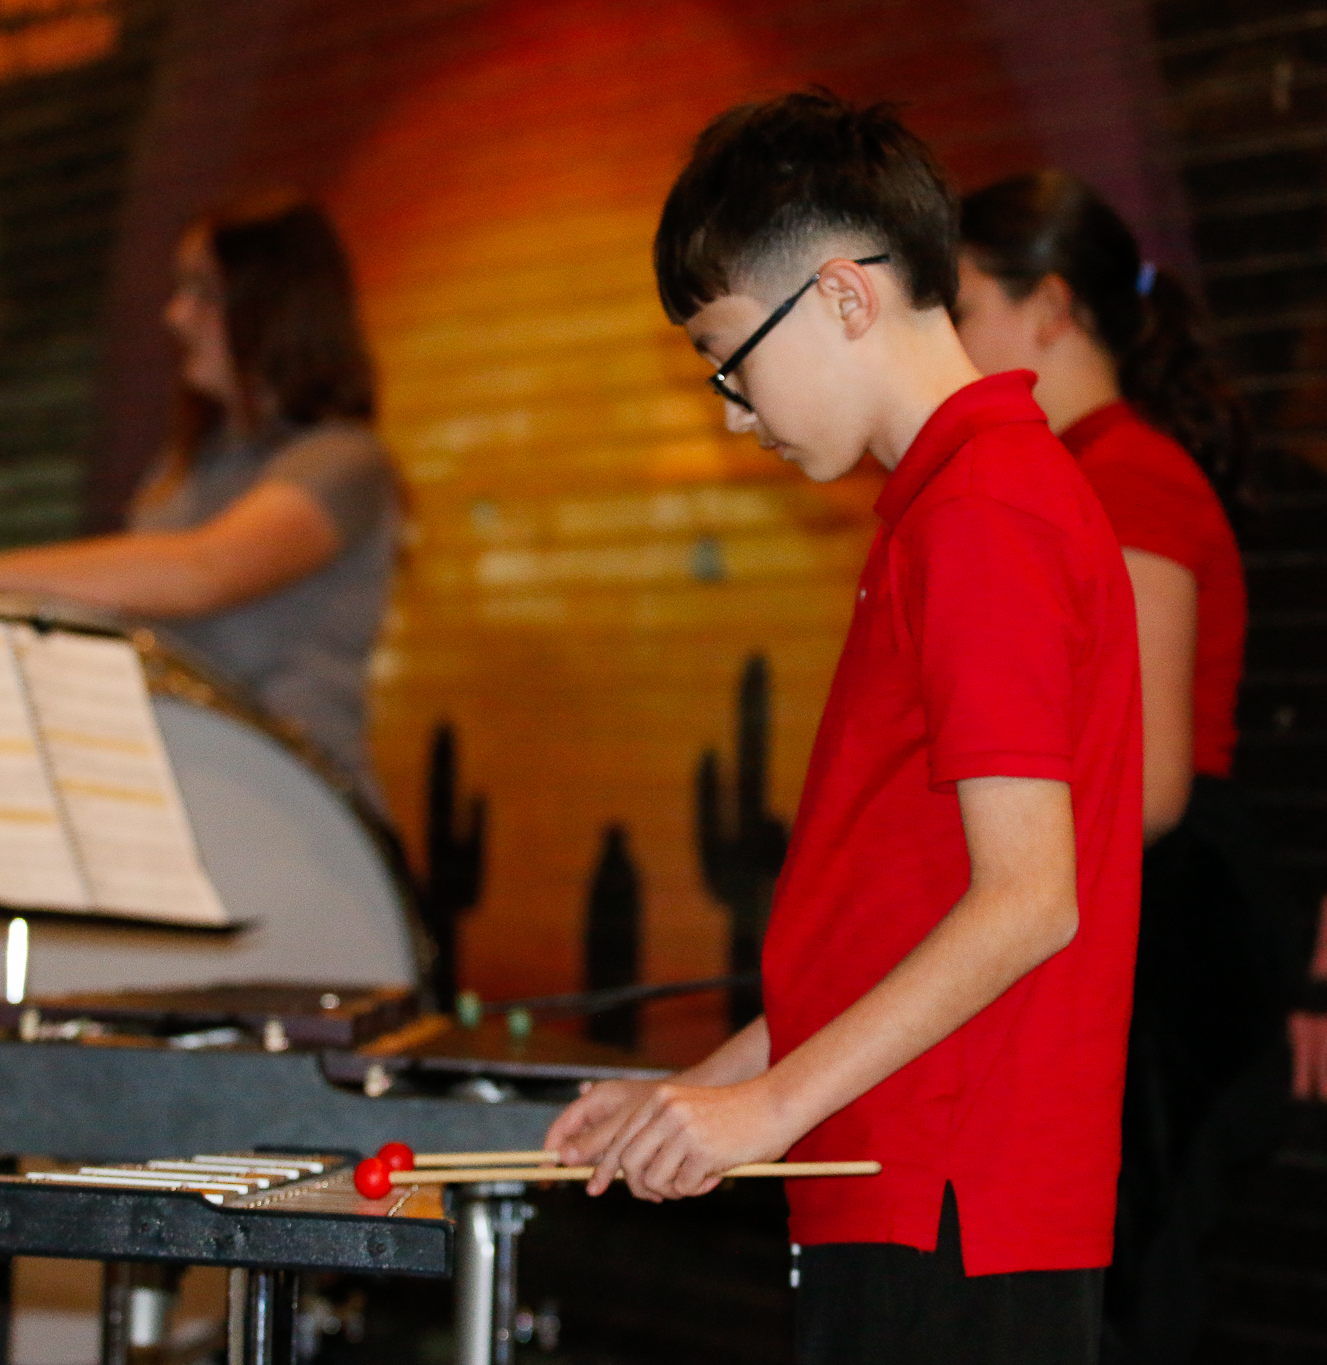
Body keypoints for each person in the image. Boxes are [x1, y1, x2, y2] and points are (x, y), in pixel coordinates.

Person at [545, 93, 1142, 1365]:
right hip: (911, 1175)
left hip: (952, 1196)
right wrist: (702, 1092)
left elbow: (1029, 900)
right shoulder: (945, 508)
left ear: (841, 296)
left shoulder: (985, 514)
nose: (730, 411)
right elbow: (884, 921)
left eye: (728, 356)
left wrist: (762, 1107)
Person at [955, 170, 1286, 1365]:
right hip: (1119, 898)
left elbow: (1142, 787)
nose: (944, 340)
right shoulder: (1067, 471)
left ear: (1047, 307)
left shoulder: (1129, 477)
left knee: (1122, 1283)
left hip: (1165, 917)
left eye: (959, 303)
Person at [0, 195, 399, 811]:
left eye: (202, 292)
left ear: (274, 304)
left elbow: (201, 573)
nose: (175, 316)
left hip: (303, 821)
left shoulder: (344, 463)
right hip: (188, 798)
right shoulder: (185, 468)